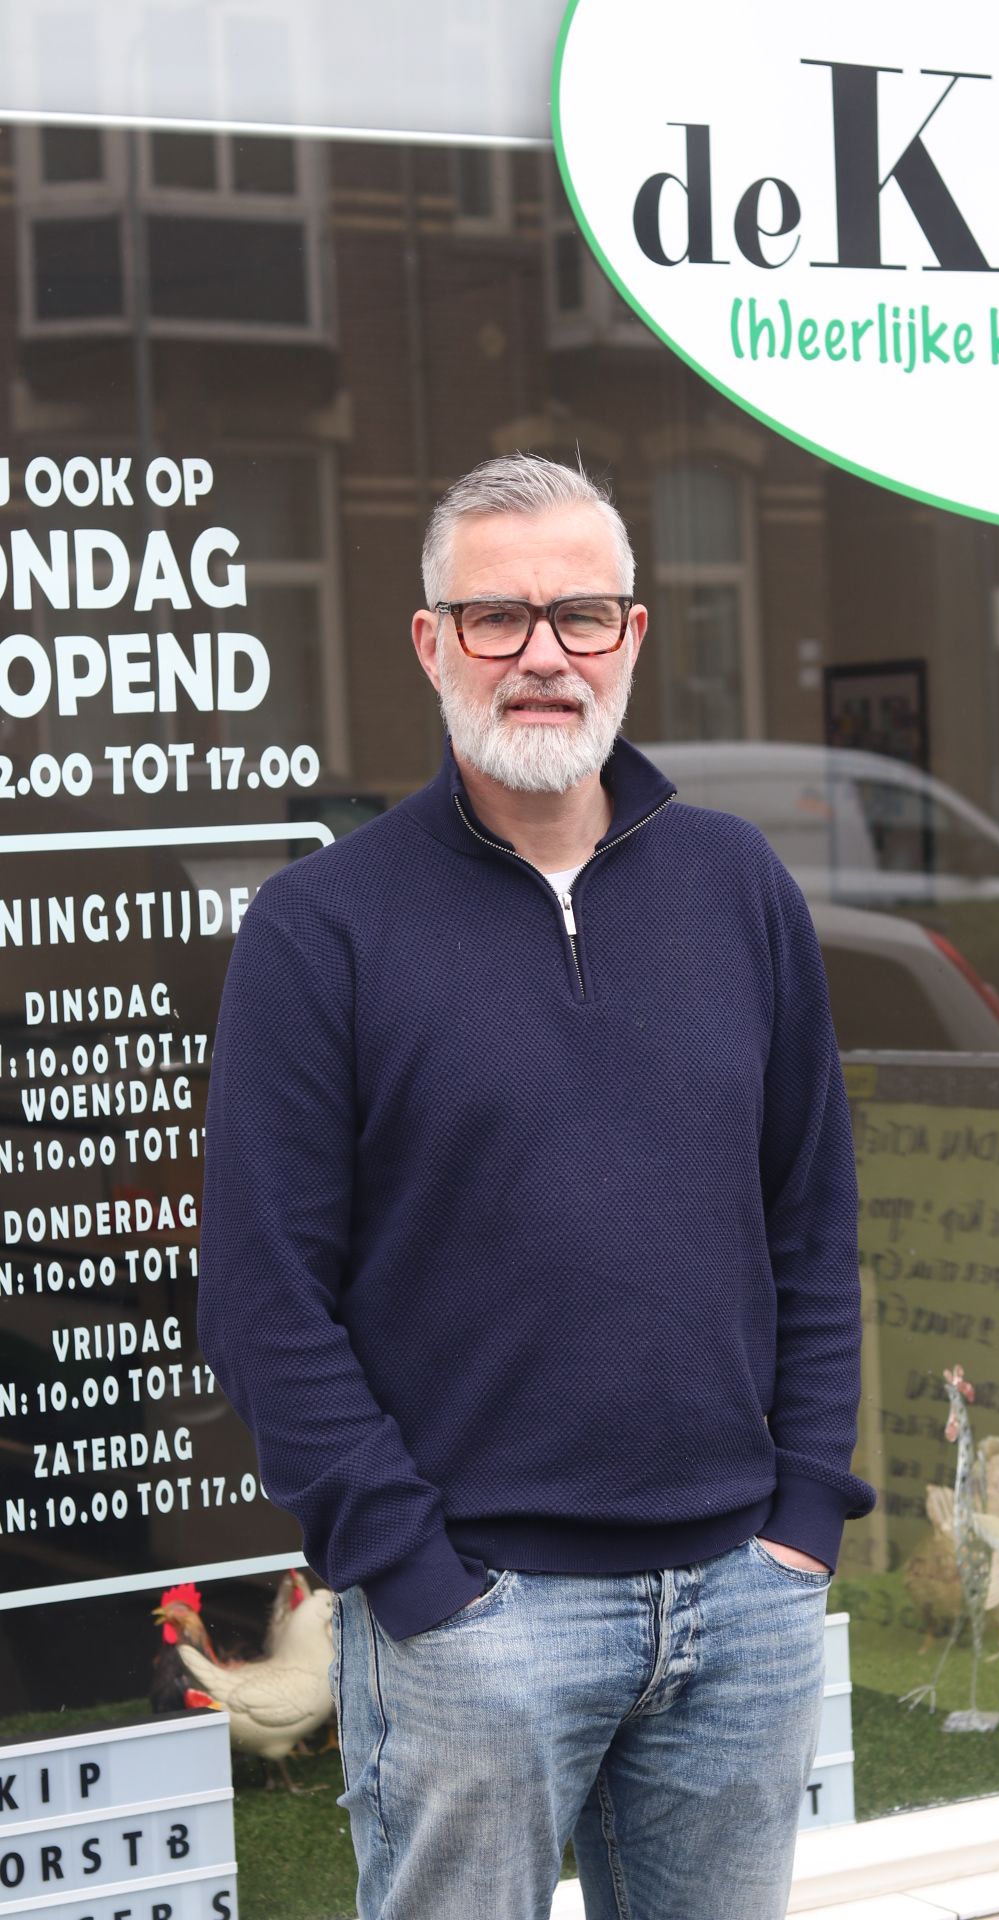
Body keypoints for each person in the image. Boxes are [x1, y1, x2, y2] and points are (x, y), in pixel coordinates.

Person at [198, 453, 874, 1920]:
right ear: (432, 642)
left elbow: (812, 1222)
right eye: (496, 618)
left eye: (580, 614)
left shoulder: (738, 886)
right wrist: (417, 1579)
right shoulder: (324, 931)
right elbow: (263, 1298)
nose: (543, 654)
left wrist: (801, 1522)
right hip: (476, 1619)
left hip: (741, 1603)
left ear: (632, 637)